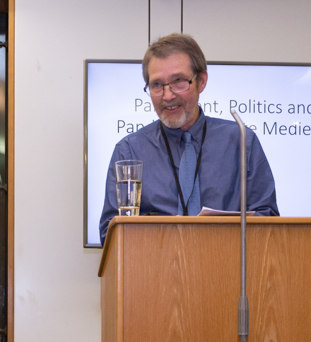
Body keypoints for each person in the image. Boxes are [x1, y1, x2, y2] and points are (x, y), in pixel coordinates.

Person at [99, 33, 279, 245]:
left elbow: (268, 221)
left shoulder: (241, 141)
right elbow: (110, 235)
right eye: (157, 85)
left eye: (178, 81)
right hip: (153, 272)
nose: (167, 96)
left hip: (227, 270)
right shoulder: (129, 150)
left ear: (201, 81)